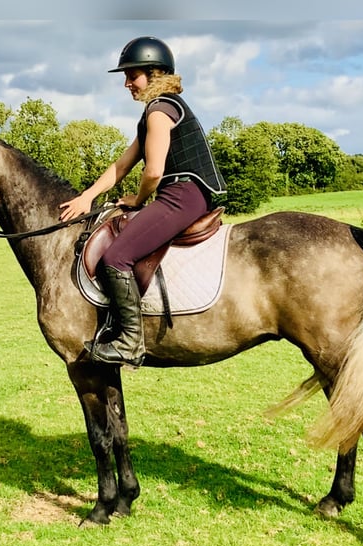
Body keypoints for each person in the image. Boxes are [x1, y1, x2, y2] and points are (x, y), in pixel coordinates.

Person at [59, 36, 227, 367]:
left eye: (132, 75)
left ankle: (130, 343)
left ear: (155, 73)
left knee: (116, 256)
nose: (126, 83)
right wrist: (87, 197)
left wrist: (138, 199)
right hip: (182, 194)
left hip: (182, 195)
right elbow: (122, 166)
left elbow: (153, 171)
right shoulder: (157, 111)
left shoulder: (160, 109)